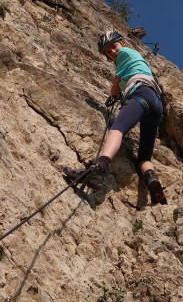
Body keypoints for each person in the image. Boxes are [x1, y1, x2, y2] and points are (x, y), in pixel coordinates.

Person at [64, 30, 167, 204]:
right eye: (108, 51)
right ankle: (152, 179)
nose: (113, 51)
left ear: (123, 43)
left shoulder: (125, 53)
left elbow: (116, 83)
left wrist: (114, 94)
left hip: (141, 94)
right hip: (155, 104)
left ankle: (100, 168)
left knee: (117, 129)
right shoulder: (134, 59)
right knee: (144, 157)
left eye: (114, 46)